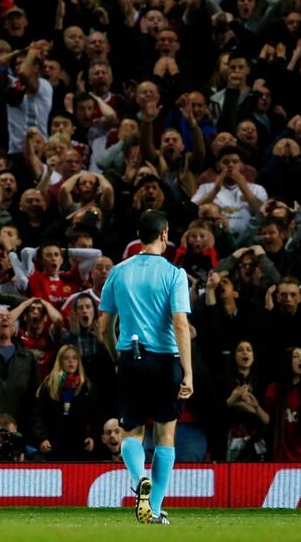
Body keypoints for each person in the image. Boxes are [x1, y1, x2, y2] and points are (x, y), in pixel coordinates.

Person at [98, 210, 193, 525]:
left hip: (131, 356)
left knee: (132, 431)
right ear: (164, 234)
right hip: (165, 361)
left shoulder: (119, 271)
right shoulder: (174, 274)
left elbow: (104, 328)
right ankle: (153, 507)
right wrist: (188, 370)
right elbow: (180, 323)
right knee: (165, 434)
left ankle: (139, 477)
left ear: (139, 235)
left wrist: (117, 356)